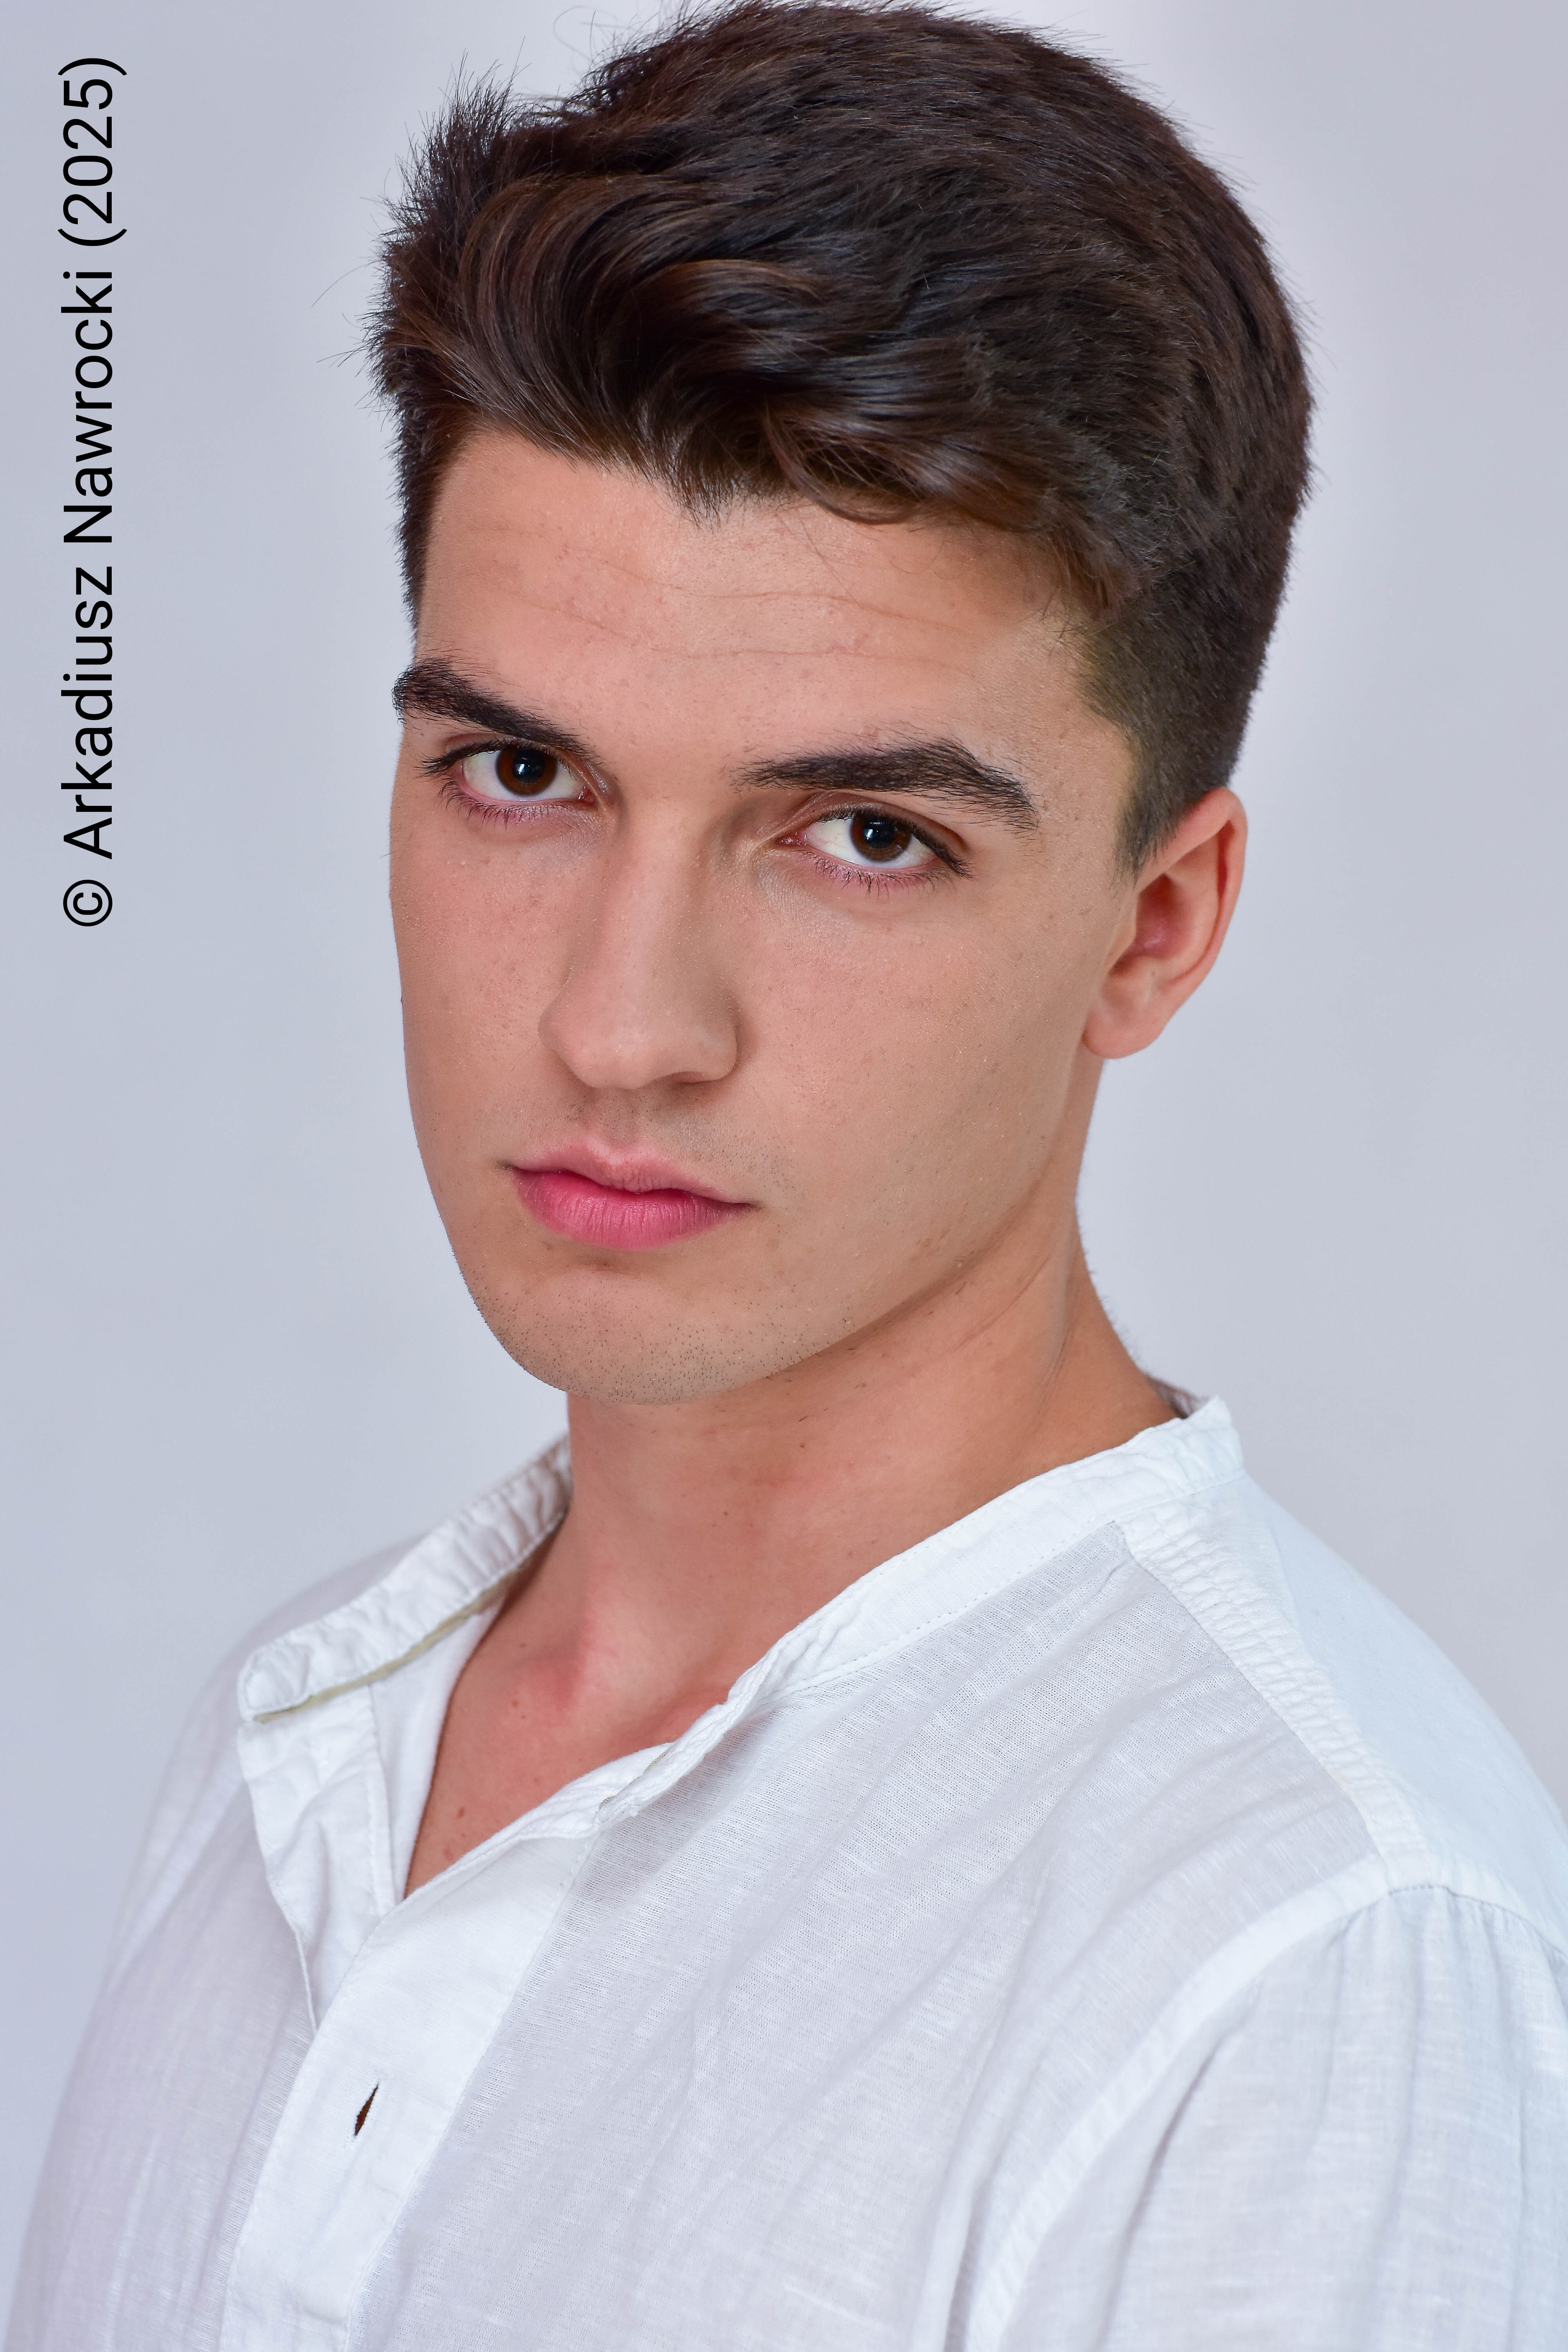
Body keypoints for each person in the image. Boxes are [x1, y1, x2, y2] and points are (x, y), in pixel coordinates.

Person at [11, 4, 1568, 2344]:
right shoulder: (292, 1753)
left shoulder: (1300, 1958)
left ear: (1155, 926)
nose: (623, 1025)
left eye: (863, 836)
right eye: (524, 776)